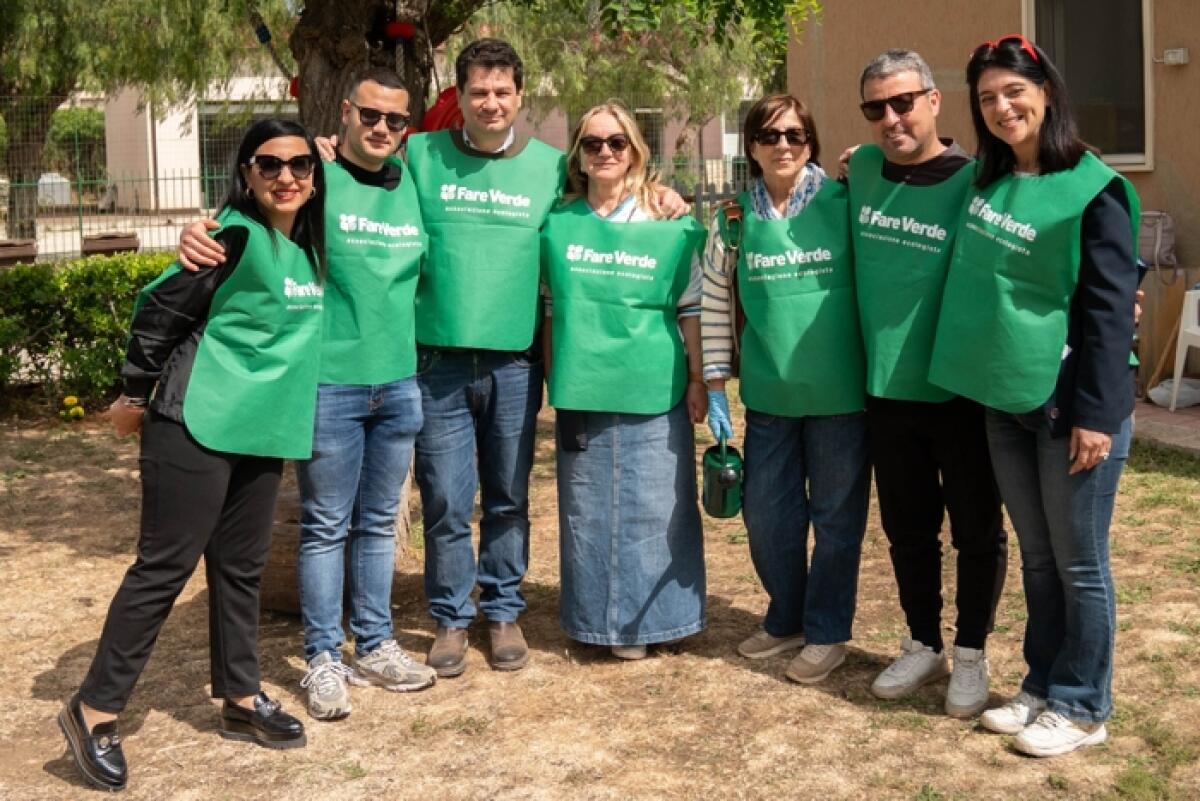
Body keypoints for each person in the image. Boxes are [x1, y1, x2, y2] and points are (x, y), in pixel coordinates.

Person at [58, 119, 325, 791]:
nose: (286, 176)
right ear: (246, 173)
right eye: (269, 164)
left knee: (241, 568)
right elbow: (160, 308)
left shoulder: (310, 245)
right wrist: (132, 392)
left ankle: (240, 697)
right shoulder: (229, 235)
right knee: (164, 567)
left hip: (261, 426)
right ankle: (93, 709)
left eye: (299, 164)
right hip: (195, 419)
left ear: (315, 178)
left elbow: (379, 163)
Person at [178, 69, 437, 721]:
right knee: (325, 525)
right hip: (330, 384)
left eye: (395, 120)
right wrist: (197, 232)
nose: (381, 128)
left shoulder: (410, 183)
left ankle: (374, 643)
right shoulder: (314, 180)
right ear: (345, 112)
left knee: (378, 522)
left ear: (407, 128)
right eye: (370, 115)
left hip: (399, 382)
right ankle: (323, 655)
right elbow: (247, 217)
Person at [928, 34, 1140, 757]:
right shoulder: (988, 182)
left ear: (1046, 92)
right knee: (1040, 559)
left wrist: (1097, 416)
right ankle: (1042, 684)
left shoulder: (1094, 189)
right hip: (1006, 401)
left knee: (1080, 563)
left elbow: (1110, 313)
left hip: (1071, 408)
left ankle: (1084, 706)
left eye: (1014, 91)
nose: (1002, 107)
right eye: (988, 97)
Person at [846, 50, 1006, 718]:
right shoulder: (859, 169)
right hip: (886, 388)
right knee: (908, 529)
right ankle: (923, 642)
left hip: (959, 389)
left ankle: (970, 651)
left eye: (903, 102)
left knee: (976, 529)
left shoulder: (978, 181)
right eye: (876, 107)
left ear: (934, 101)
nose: (891, 118)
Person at [702, 94, 870, 684]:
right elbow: (714, 303)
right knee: (767, 516)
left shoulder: (845, 203)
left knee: (836, 521)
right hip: (770, 397)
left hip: (841, 398)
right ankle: (787, 617)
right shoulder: (732, 220)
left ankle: (826, 632)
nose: (783, 146)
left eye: (795, 135)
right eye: (770, 136)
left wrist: (870, 167)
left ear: (811, 142)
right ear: (750, 145)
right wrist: (715, 385)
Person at [541, 102, 708, 660]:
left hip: (654, 385)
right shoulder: (557, 223)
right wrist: (553, 379)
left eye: (617, 143)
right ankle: (602, 625)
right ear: (578, 156)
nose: (606, 152)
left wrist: (698, 378)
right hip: (584, 387)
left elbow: (690, 306)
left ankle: (664, 620)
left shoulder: (665, 220)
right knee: (588, 510)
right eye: (593, 144)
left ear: (636, 151)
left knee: (659, 507)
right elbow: (549, 309)